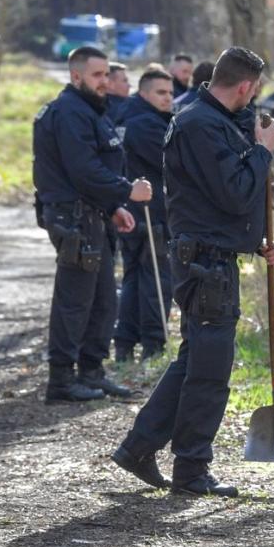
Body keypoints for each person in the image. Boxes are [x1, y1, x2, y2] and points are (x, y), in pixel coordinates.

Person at [110, 46, 274, 497]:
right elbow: (235, 192)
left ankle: (138, 447)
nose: (254, 100)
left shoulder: (215, 120)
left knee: (194, 361)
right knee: (209, 370)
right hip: (204, 263)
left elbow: (226, 200)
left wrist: (257, 239)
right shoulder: (199, 125)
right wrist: (264, 153)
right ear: (244, 86)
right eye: (254, 92)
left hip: (213, 256)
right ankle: (191, 469)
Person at [33, 46, 152, 402]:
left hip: (92, 215)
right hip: (74, 219)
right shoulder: (70, 112)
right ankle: (61, 381)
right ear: (77, 76)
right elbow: (83, 170)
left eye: (107, 75)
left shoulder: (87, 109)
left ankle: (91, 372)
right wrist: (126, 191)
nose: (105, 82)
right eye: (98, 75)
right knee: (74, 300)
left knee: (102, 300)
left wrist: (113, 206)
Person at [113, 69, 174, 363]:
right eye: (161, 93)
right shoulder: (146, 123)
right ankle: (152, 342)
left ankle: (125, 342)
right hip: (148, 213)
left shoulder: (123, 117)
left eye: (171, 93)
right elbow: (171, 165)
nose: (168, 98)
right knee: (155, 280)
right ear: (145, 92)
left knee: (135, 278)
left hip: (128, 210)